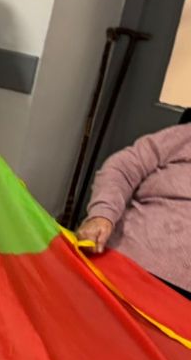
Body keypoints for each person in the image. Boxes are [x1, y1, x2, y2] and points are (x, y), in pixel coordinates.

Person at [77, 121, 191, 299]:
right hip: (125, 260)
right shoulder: (183, 137)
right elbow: (122, 167)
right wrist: (102, 215)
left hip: (180, 303)